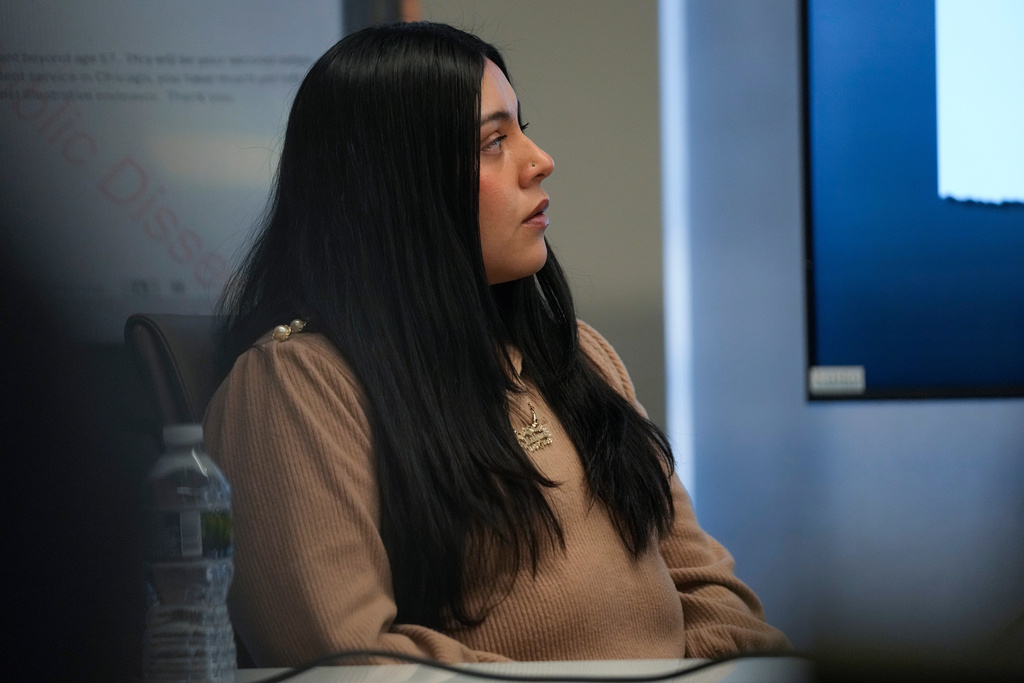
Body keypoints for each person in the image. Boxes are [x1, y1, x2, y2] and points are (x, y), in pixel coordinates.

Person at [204, 21, 789, 667]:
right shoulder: (296, 386)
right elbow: (349, 659)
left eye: (521, 129)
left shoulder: (582, 357)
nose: (540, 160)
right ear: (398, 188)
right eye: (492, 142)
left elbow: (712, 596)